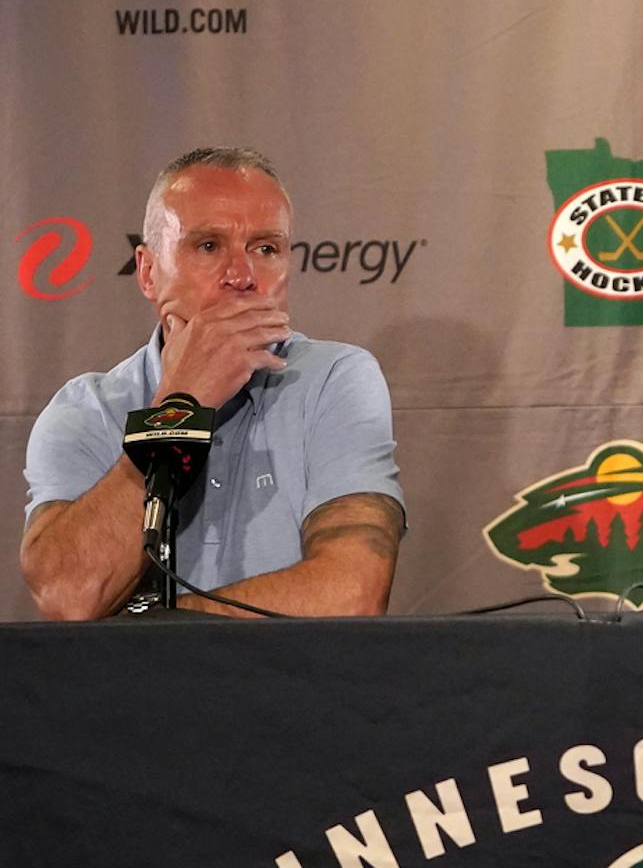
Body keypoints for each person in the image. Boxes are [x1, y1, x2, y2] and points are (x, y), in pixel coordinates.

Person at [21, 147, 405, 619]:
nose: (242, 277)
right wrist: (181, 402)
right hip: (135, 695)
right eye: (208, 246)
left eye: (266, 249)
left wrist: (148, 624)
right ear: (147, 272)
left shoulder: (333, 379)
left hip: (293, 689)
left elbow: (352, 593)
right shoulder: (85, 409)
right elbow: (68, 596)